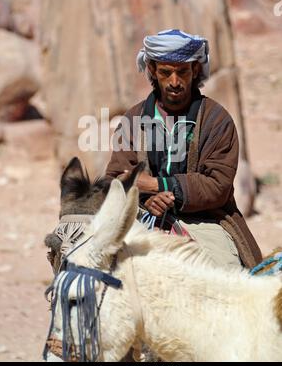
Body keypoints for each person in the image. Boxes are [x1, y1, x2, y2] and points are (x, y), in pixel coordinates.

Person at [105, 29, 262, 269]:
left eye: (182, 72)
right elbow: (116, 179)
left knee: (226, 278)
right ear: (152, 71)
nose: (175, 82)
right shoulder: (133, 119)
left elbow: (217, 185)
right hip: (142, 215)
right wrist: (148, 201)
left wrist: (159, 185)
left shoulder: (217, 120)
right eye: (166, 73)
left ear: (195, 70)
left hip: (205, 220)